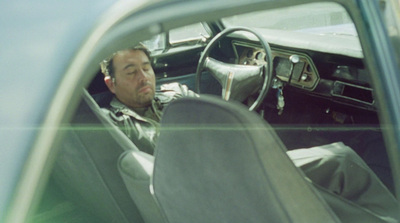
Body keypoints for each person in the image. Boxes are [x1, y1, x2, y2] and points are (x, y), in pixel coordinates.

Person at [100, 44, 398, 222]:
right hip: (210, 189)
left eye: (146, 67)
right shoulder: (113, 121)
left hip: (232, 164)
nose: (144, 77)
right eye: (130, 72)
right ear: (111, 83)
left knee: (337, 159)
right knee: (338, 162)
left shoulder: (174, 93)